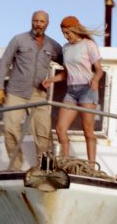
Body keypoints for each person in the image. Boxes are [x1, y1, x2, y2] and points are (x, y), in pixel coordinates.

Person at [0, 10, 63, 170]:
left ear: (47, 24)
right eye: (35, 21)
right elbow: (4, 62)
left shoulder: (53, 46)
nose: (38, 24)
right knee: (10, 129)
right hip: (15, 93)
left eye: (42, 21)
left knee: (43, 132)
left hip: (38, 94)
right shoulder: (18, 40)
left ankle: (44, 168)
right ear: (31, 21)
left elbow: (69, 65)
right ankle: (15, 167)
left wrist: (57, 79)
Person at [42, 15, 103, 166]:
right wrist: (50, 80)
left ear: (75, 30)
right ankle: (65, 162)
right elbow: (67, 73)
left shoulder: (89, 45)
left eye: (68, 33)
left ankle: (91, 166)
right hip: (71, 91)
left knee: (87, 130)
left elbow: (99, 70)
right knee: (60, 128)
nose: (65, 36)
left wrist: (95, 79)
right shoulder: (66, 48)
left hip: (87, 90)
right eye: (63, 33)